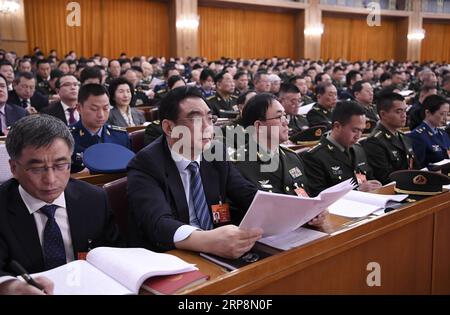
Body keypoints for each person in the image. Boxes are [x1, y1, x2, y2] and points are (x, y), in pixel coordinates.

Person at [127, 86, 262, 259]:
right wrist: (208, 240)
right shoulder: (145, 164)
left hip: (217, 250)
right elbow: (158, 224)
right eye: (196, 120)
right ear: (169, 128)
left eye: (210, 118)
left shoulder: (215, 154)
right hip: (169, 256)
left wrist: (294, 210)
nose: (208, 128)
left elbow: (247, 193)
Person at [0, 114, 119, 295]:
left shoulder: (94, 199)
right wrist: (10, 286)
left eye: (61, 165)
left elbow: (114, 253)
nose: (50, 180)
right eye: (37, 168)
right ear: (14, 168)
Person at [303, 101, 381, 197]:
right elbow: (318, 197)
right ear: (337, 126)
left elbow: (368, 177)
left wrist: (375, 185)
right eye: (354, 130)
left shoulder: (358, 149)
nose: (358, 136)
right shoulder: (314, 156)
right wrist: (356, 191)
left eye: (362, 130)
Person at [70, 84, 131, 173]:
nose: (101, 115)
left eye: (106, 108)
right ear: (79, 108)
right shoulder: (66, 137)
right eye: (94, 109)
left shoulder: (120, 136)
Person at [362, 92, 419, 185]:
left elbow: (415, 165)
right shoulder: (375, 141)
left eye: (405, 111)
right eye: (398, 112)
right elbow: (384, 178)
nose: (404, 115)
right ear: (383, 114)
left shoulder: (402, 136)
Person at [408, 95, 450, 168]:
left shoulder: (443, 133)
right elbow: (418, 167)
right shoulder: (417, 136)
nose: (445, 118)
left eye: (447, 114)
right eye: (442, 114)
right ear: (428, 112)